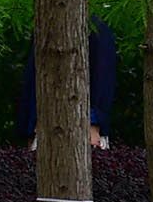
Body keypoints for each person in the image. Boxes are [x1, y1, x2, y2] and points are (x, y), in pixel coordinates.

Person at [14, 14, 119, 149]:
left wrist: (93, 122)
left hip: (81, 129)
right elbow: (32, 81)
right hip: (45, 126)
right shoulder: (45, 23)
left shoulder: (95, 25)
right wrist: (30, 127)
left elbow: (103, 76)